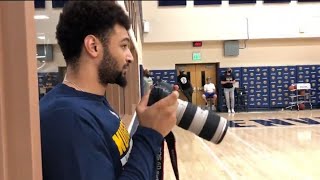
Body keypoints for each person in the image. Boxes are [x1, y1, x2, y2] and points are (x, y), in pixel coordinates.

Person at [40, 1, 179, 180]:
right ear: (93, 46)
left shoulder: (93, 101)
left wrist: (148, 126)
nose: (129, 56)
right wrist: (150, 135)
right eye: (123, 46)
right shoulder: (67, 118)